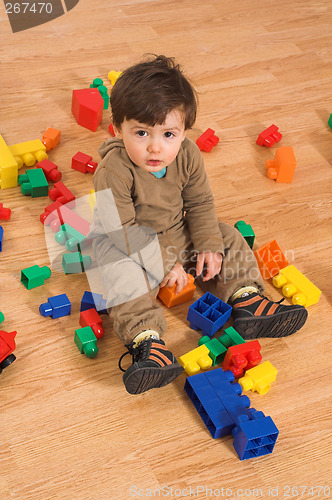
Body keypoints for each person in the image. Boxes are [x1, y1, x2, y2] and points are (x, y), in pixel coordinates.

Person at [91, 55, 308, 395]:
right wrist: (164, 264)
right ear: (118, 128)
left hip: (178, 232)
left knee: (227, 235)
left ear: (184, 133)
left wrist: (206, 242)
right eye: (141, 132)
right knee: (121, 277)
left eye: (168, 134)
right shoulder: (112, 172)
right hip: (127, 245)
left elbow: (200, 203)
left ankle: (246, 297)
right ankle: (148, 344)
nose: (155, 146)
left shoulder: (188, 155)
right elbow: (123, 230)